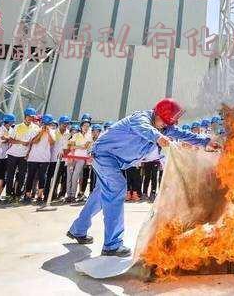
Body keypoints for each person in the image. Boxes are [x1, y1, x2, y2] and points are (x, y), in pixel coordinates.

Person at [67, 98, 218, 257]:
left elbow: (181, 133)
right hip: (104, 155)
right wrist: (158, 138)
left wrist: (206, 142)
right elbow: (145, 128)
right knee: (117, 187)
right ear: (158, 114)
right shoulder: (140, 118)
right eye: (165, 123)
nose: (166, 127)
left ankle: (78, 230)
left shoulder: (164, 127)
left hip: (117, 162)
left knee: (100, 195)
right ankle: (112, 246)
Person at [5, 107, 36, 202]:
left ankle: (18, 194)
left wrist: (28, 153)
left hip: (24, 156)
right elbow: (9, 139)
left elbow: (34, 142)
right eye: (29, 116)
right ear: (25, 116)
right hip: (12, 154)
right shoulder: (17, 127)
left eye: (32, 117)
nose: (30, 118)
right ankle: (8, 194)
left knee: (22, 176)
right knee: (10, 175)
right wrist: (21, 142)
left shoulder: (35, 128)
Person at [24, 114, 56, 203]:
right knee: (30, 176)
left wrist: (48, 132)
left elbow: (52, 142)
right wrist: (41, 132)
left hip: (44, 158)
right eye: (44, 123)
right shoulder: (36, 130)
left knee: (42, 177)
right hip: (33, 157)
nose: (46, 125)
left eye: (48, 124)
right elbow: (34, 141)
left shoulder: (52, 131)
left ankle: (40, 195)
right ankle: (27, 195)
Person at [65, 123, 90, 203]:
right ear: (81, 127)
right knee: (69, 177)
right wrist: (79, 147)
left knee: (75, 177)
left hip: (81, 159)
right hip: (71, 157)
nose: (86, 127)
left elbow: (86, 147)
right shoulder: (76, 135)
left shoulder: (89, 136)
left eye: (87, 126)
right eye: (84, 126)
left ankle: (72, 195)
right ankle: (68, 195)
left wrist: (77, 146)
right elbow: (71, 147)